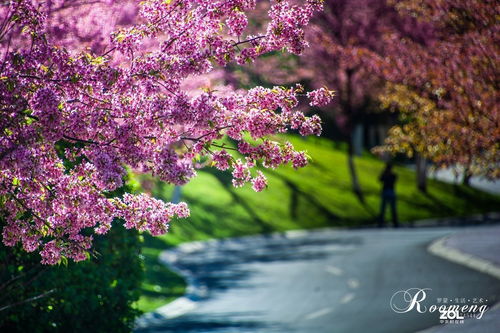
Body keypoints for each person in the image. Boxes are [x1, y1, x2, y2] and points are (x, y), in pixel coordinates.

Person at [378, 162, 399, 228]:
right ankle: (394, 222)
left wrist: (384, 174)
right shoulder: (392, 175)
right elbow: (380, 179)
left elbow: (380, 179)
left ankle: (382, 222)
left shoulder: (391, 175)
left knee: (385, 208)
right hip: (390, 192)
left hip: (387, 192)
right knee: (390, 208)